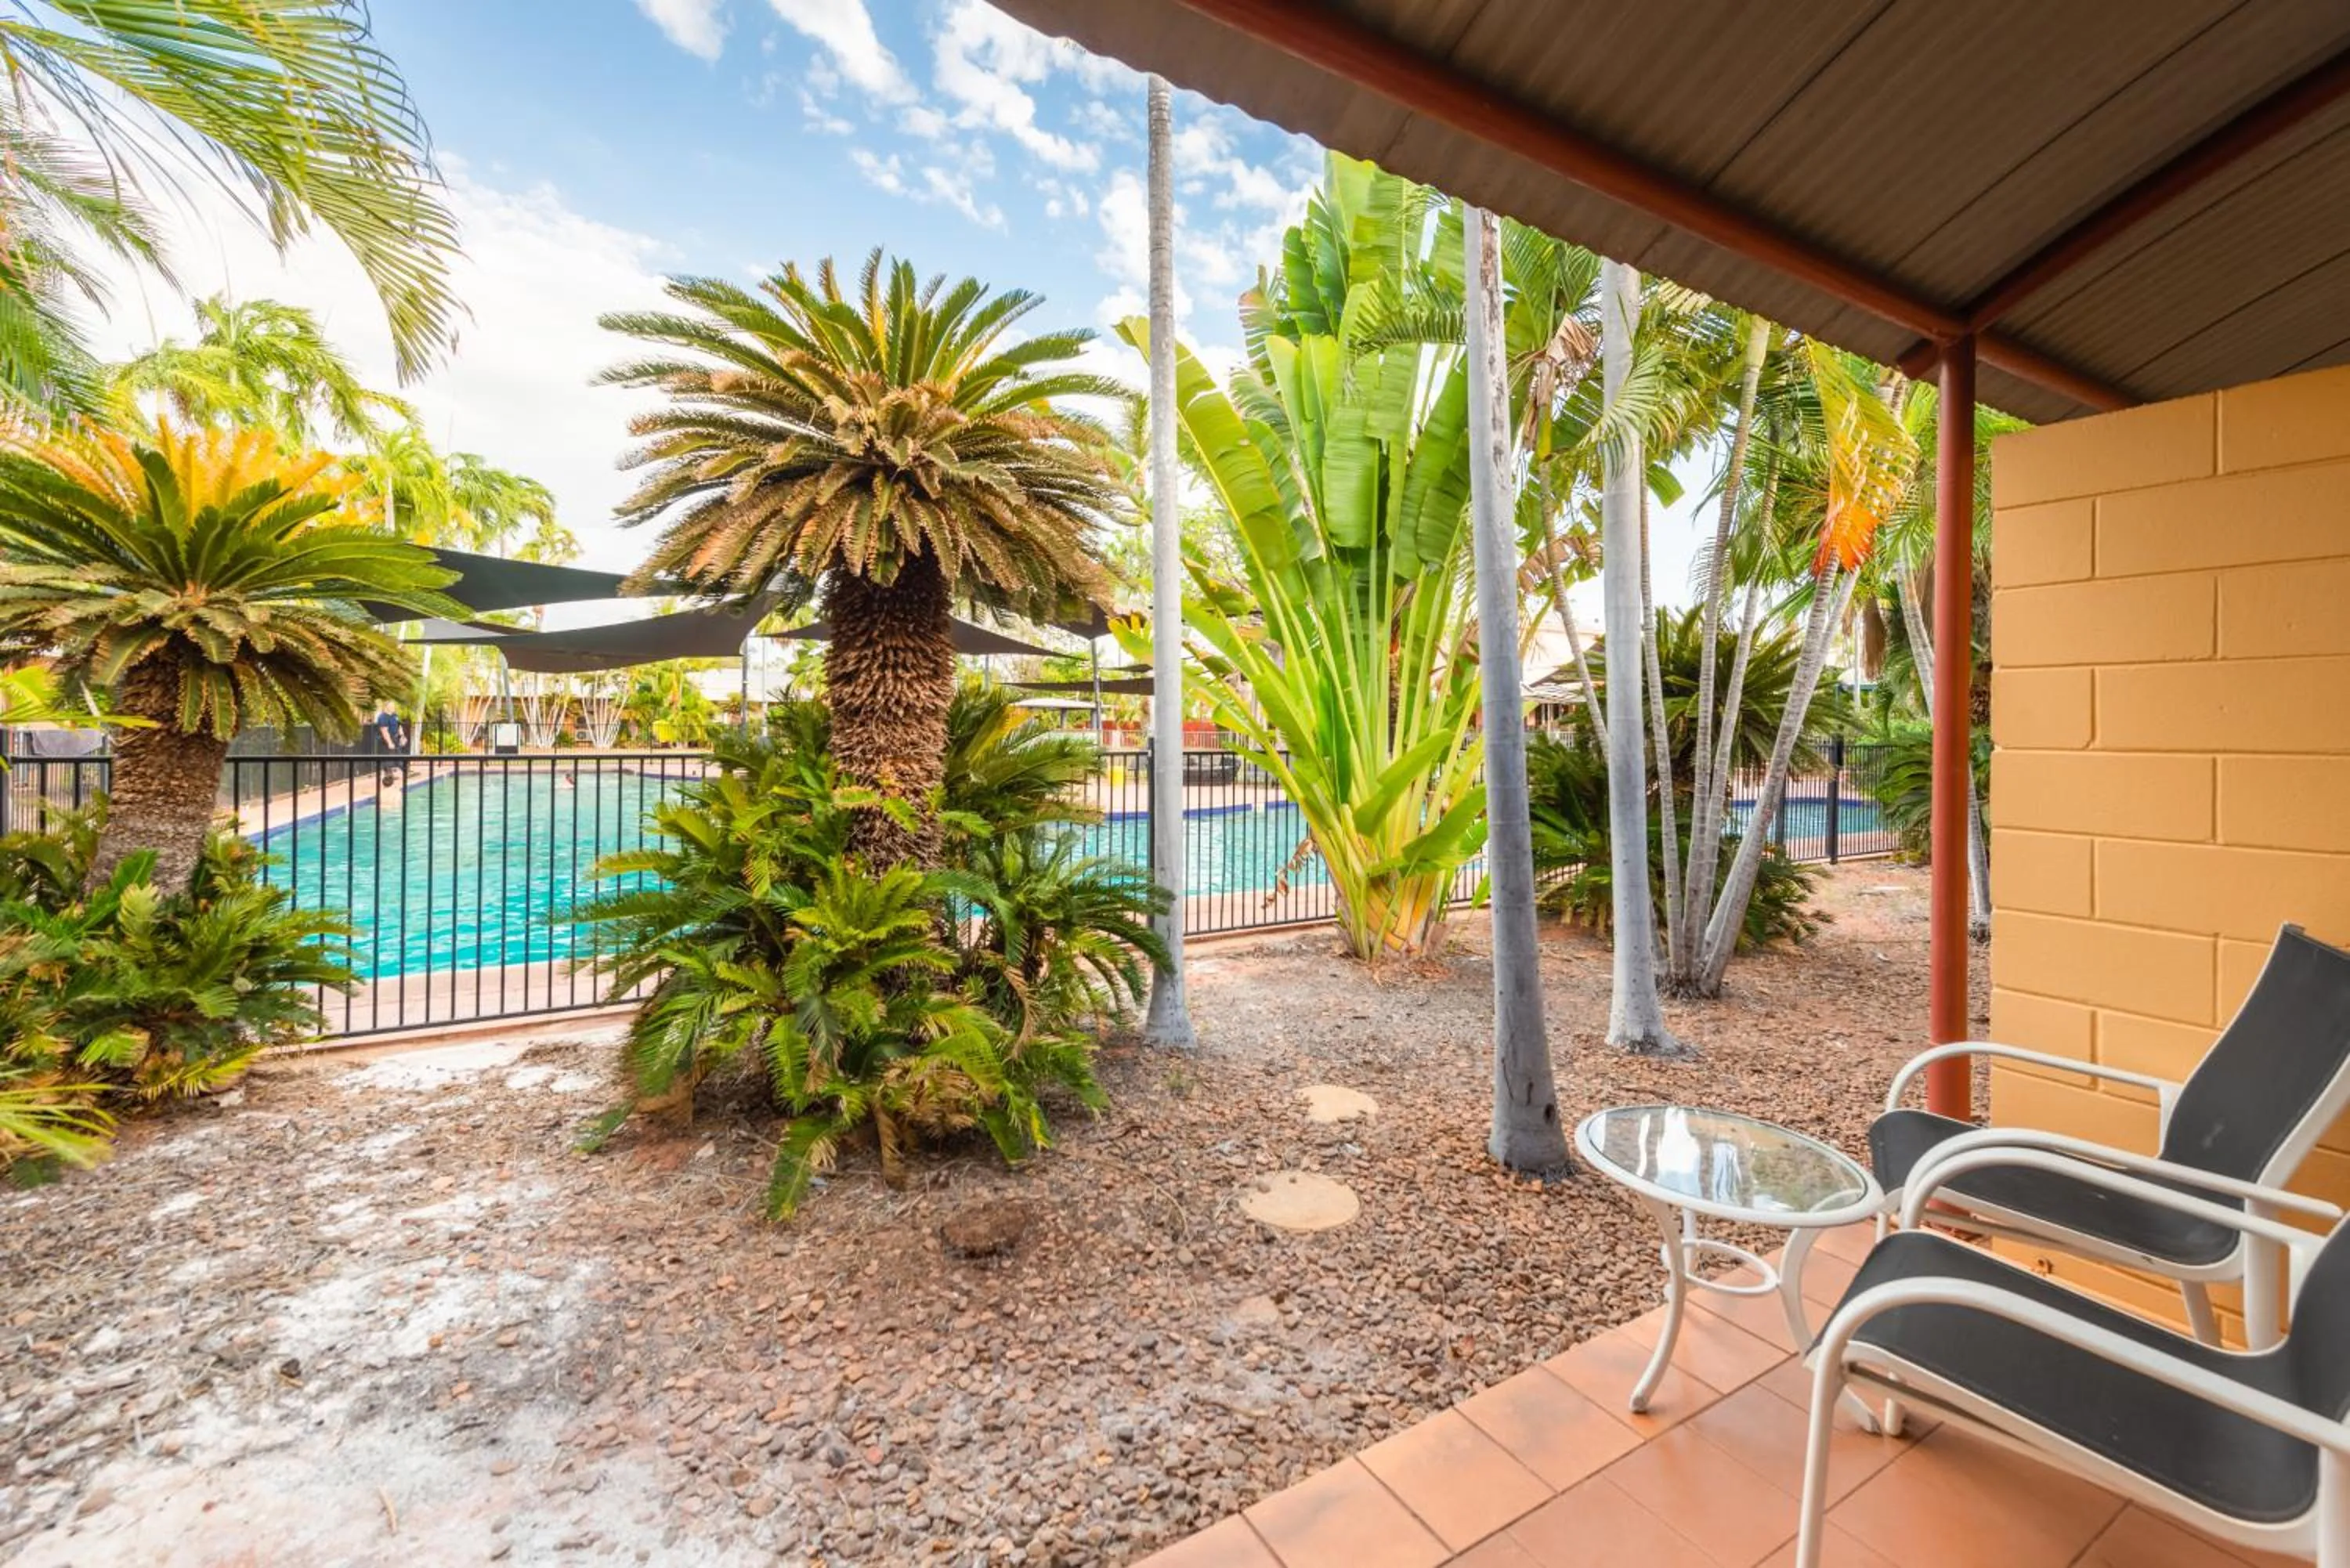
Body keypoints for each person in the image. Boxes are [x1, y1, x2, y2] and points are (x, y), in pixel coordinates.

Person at [367, 703, 409, 784]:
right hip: (385, 741)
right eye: (392, 706)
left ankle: (405, 772)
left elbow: (399, 727)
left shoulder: (394, 715)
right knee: (387, 759)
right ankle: (388, 778)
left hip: (395, 738)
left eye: (394, 706)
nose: (394, 707)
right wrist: (389, 742)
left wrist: (402, 736)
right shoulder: (383, 717)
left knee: (399, 756)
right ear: (386, 707)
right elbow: (384, 731)